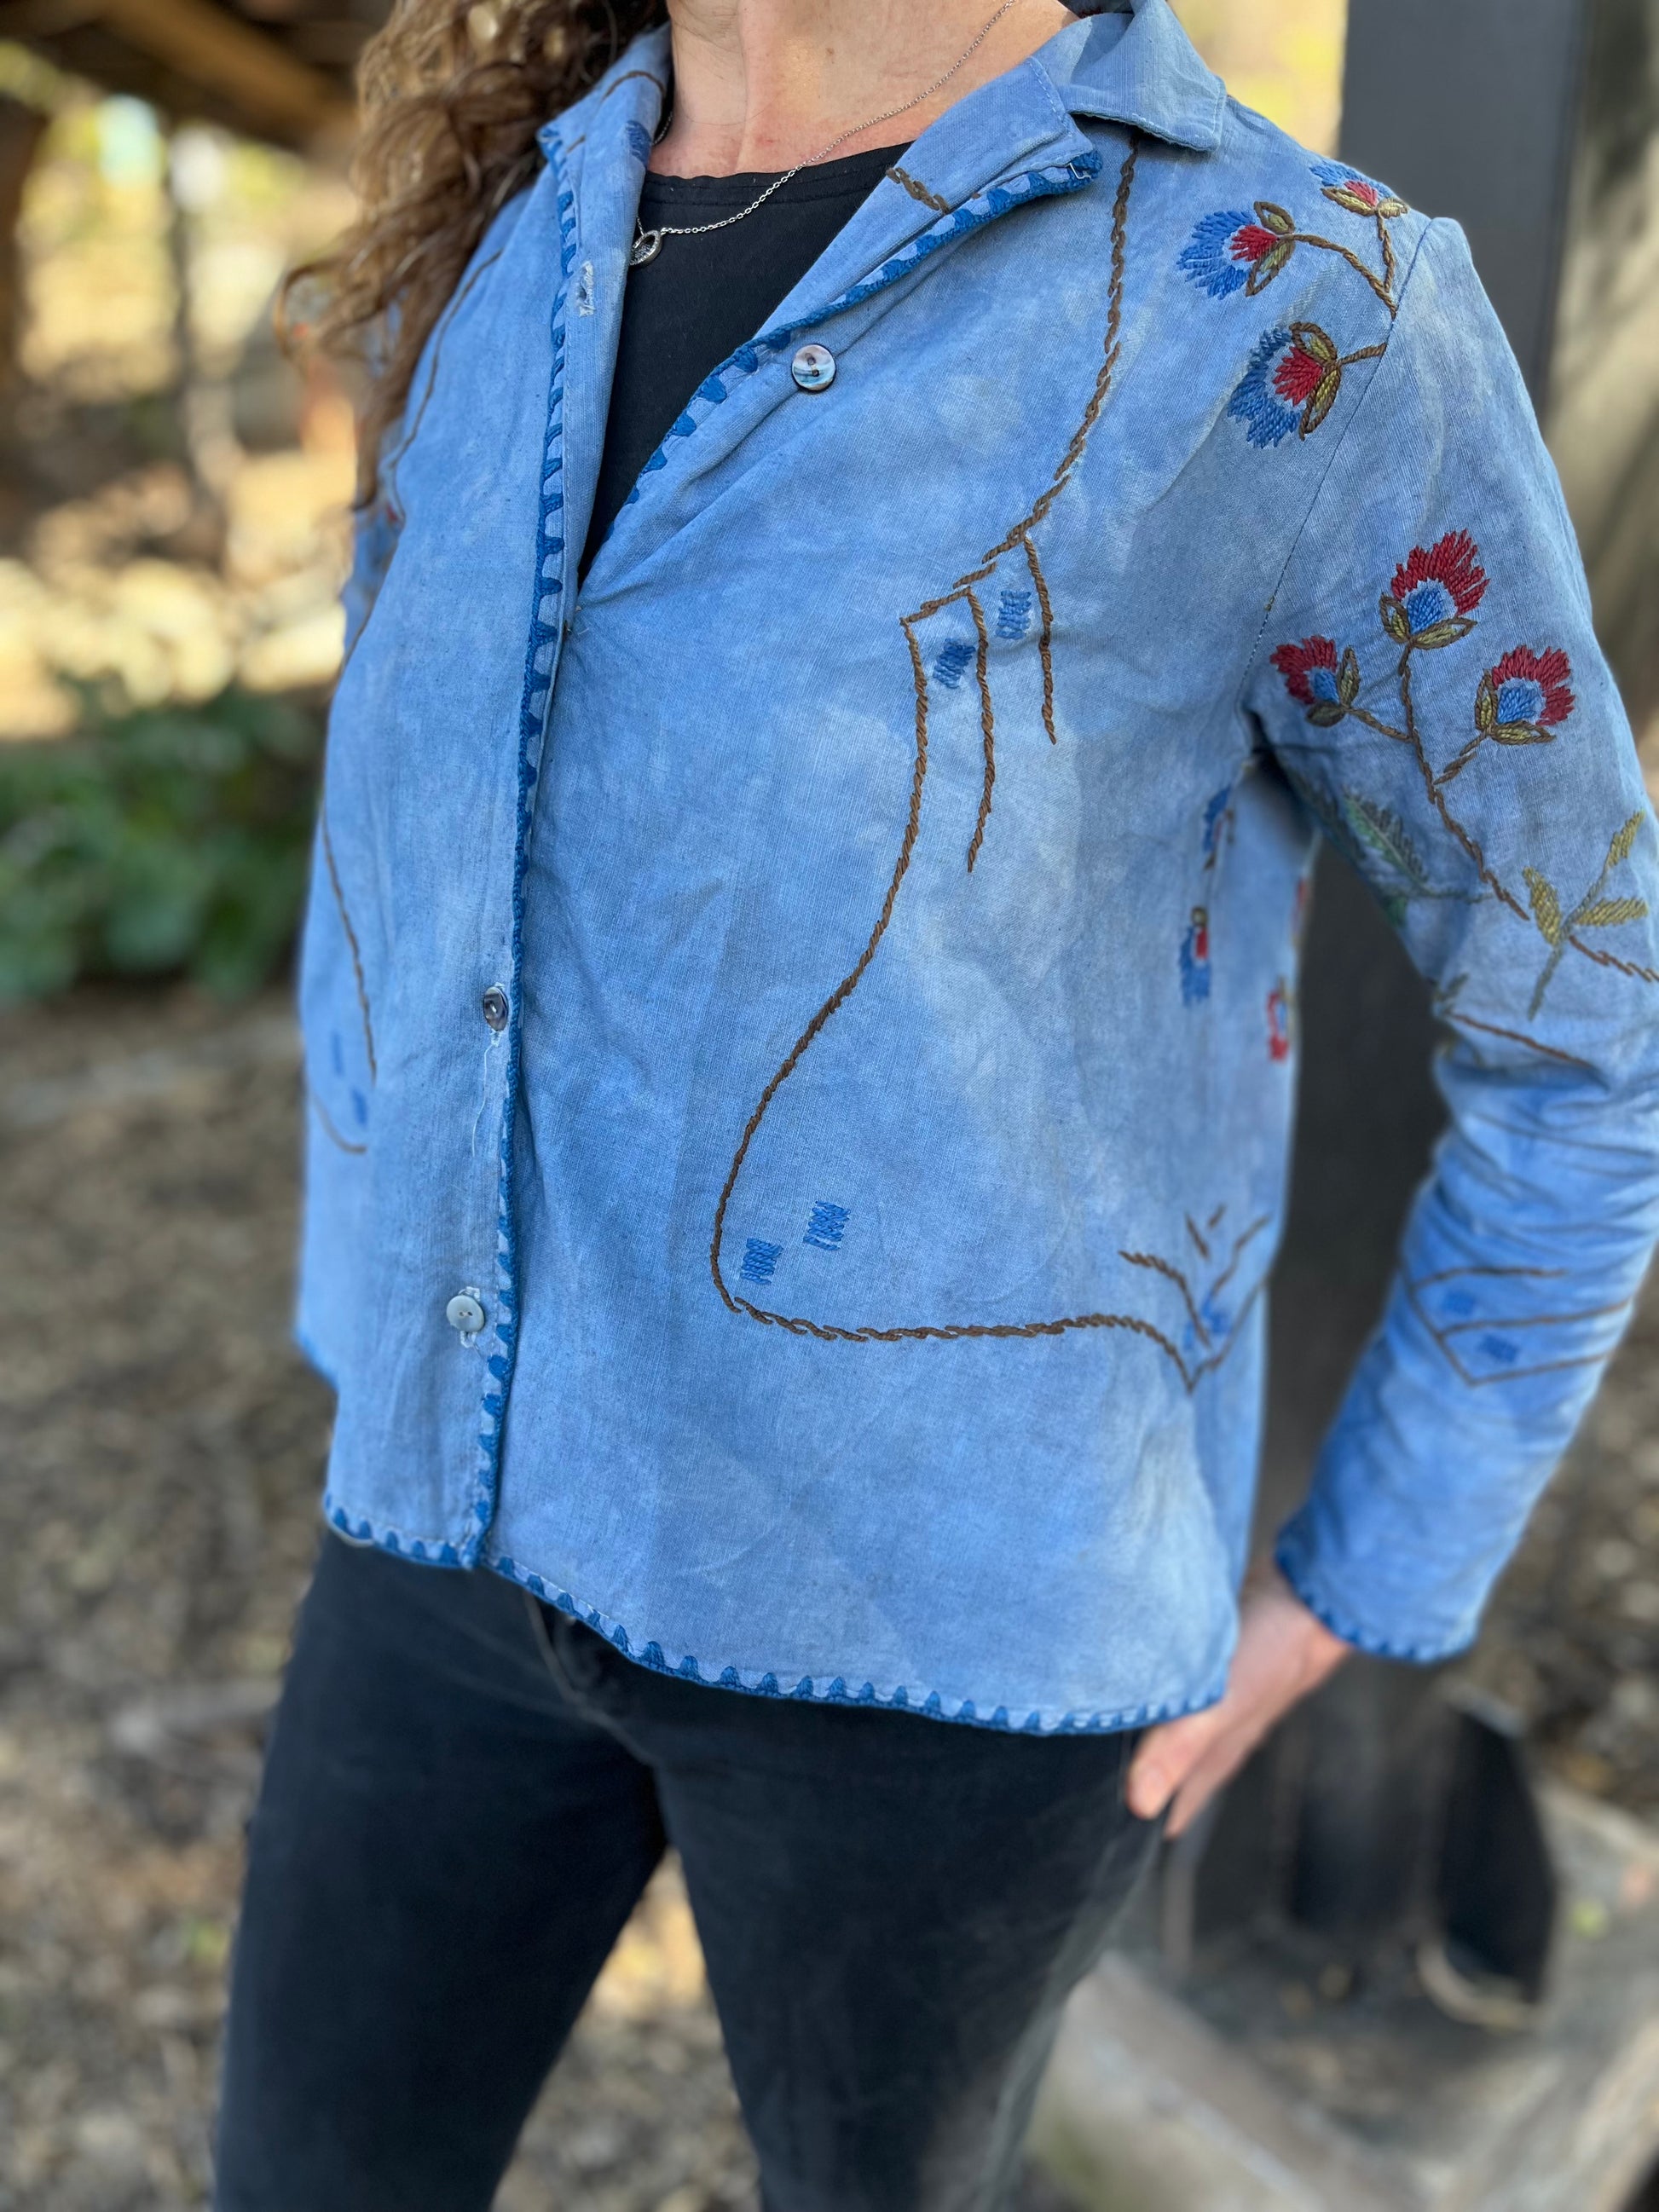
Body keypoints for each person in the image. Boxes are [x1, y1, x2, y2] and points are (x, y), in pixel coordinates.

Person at [215, 0, 1659, 2204]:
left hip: (949, 1660)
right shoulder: (503, 230)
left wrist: (1374, 1565)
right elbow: (417, 888)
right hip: (443, 1529)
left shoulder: (1295, 308)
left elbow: (1589, 1009)